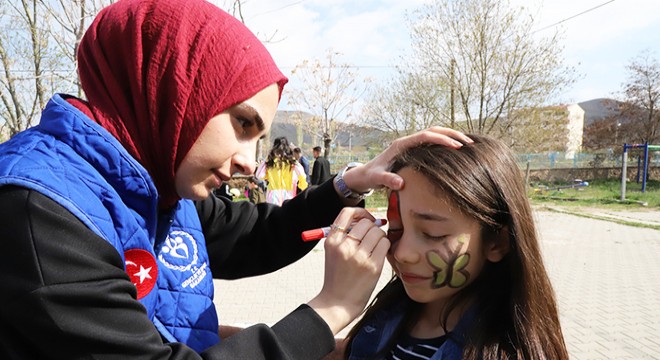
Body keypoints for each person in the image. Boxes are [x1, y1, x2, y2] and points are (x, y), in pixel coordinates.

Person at [0, 0, 473, 358]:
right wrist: (329, 311)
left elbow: (255, 234)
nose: (250, 161)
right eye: (243, 125)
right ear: (172, 90)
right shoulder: (38, 210)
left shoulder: (158, 187)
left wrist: (348, 185)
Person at [343, 135, 569, 360]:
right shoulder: (387, 313)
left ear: (497, 242)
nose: (402, 253)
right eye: (395, 228)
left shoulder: (505, 351)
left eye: (433, 235)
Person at [256, 136, 309, 206]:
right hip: (288, 193)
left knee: (273, 215)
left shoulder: (270, 161)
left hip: (273, 194)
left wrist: (267, 174)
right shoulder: (291, 161)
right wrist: (302, 185)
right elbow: (301, 174)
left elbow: (259, 175)